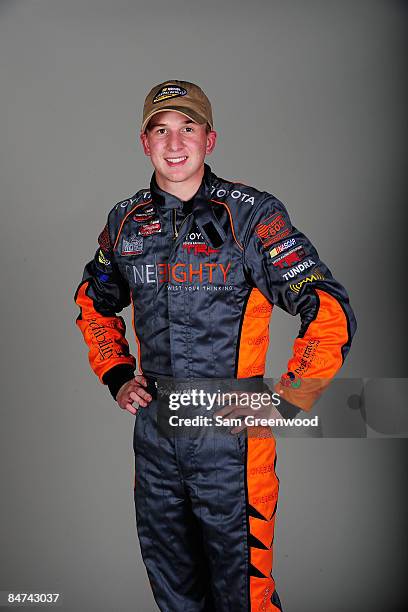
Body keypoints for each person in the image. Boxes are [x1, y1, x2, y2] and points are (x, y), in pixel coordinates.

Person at [74, 79, 357, 611]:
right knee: (175, 596)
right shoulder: (127, 221)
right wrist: (116, 372)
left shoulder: (251, 216)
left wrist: (291, 398)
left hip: (231, 439)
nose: (174, 143)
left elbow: (327, 306)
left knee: (243, 597)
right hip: (156, 436)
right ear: (144, 142)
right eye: (161, 130)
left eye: (187, 128)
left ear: (210, 139)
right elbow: (94, 300)